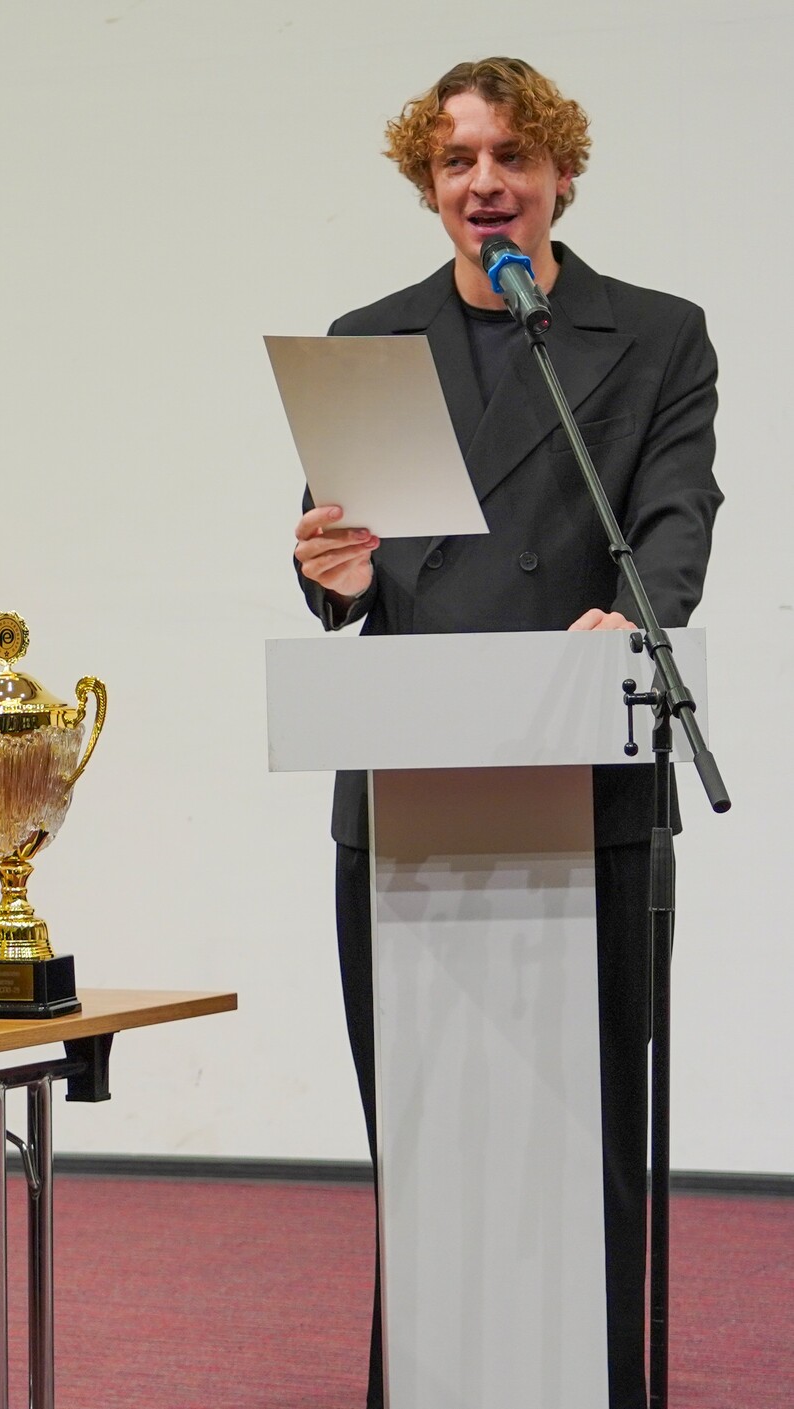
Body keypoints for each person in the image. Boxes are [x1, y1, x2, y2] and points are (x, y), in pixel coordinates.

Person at [292, 58, 721, 1409]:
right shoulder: (371, 341)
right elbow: (342, 563)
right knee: (421, 1137)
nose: (485, 182)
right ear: (429, 186)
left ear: (560, 176)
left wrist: (634, 618)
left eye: (512, 156)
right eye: (457, 160)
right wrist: (330, 572)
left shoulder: (654, 335)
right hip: (409, 796)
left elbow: (675, 517)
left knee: (588, 1138)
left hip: (586, 783)